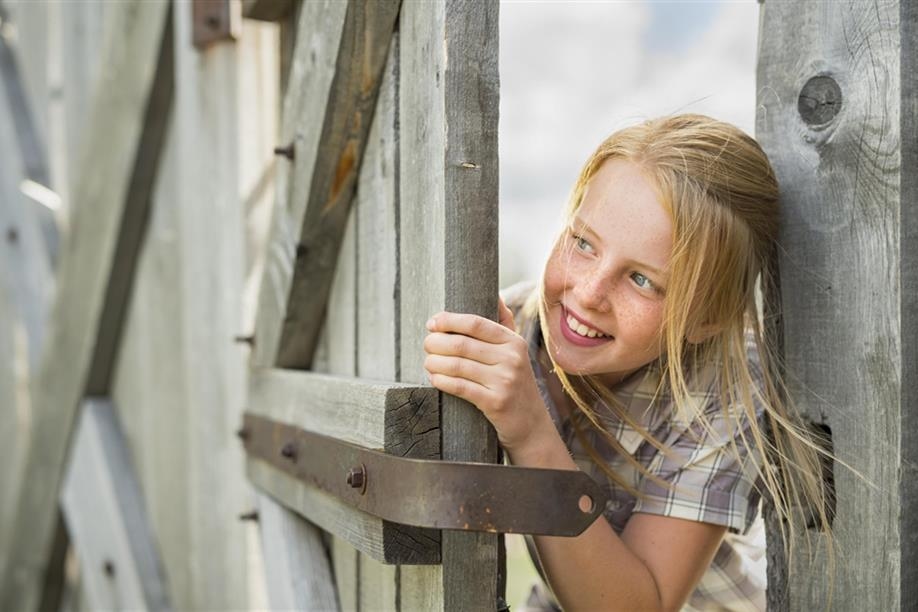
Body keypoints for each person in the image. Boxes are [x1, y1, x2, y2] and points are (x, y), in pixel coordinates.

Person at [423, 114, 832, 611]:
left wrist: (531, 431)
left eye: (642, 280)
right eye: (583, 243)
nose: (589, 293)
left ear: (705, 321)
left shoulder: (722, 390)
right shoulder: (507, 337)